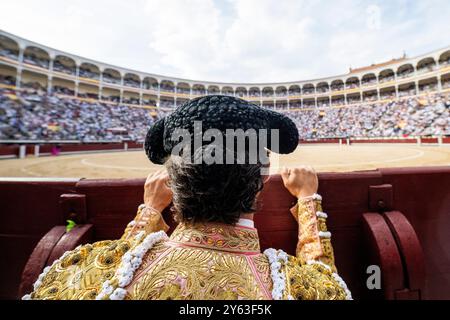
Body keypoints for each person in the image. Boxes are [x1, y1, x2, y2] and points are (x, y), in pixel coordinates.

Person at [23, 95, 351, 300]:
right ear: (263, 176)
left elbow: (122, 262)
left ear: (173, 181)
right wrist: (308, 200)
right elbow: (327, 282)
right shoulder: (297, 287)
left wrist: (149, 211)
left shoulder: (88, 272)